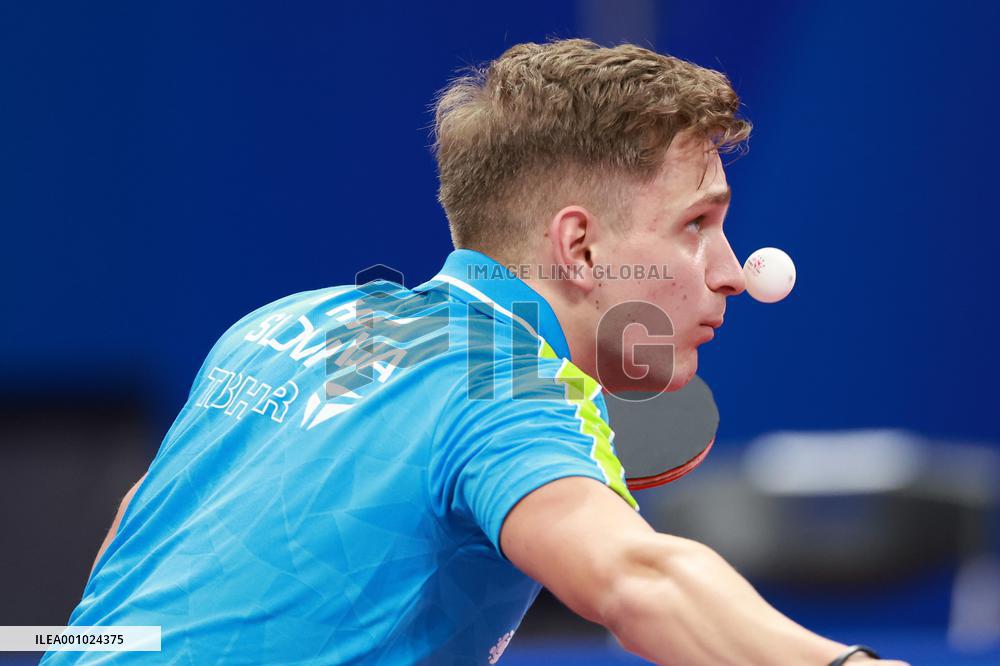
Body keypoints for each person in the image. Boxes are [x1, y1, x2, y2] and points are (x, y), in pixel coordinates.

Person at [46, 39, 907, 665]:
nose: (730, 272)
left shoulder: (283, 324)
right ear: (580, 248)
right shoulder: (509, 384)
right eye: (699, 224)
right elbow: (637, 577)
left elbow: (141, 528)